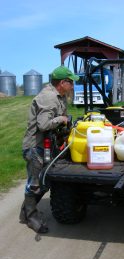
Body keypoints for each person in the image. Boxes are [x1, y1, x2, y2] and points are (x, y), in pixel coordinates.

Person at [19, 66, 79, 233]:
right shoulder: (49, 97)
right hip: (34, 148)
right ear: (62, 83)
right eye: (71, 83)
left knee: (46, 180)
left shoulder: (59, 97)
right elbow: (44, 124)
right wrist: (61, 118)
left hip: (46, 145)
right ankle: (30, 217)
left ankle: (26, 212)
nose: (73, 86)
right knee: (35, 184)